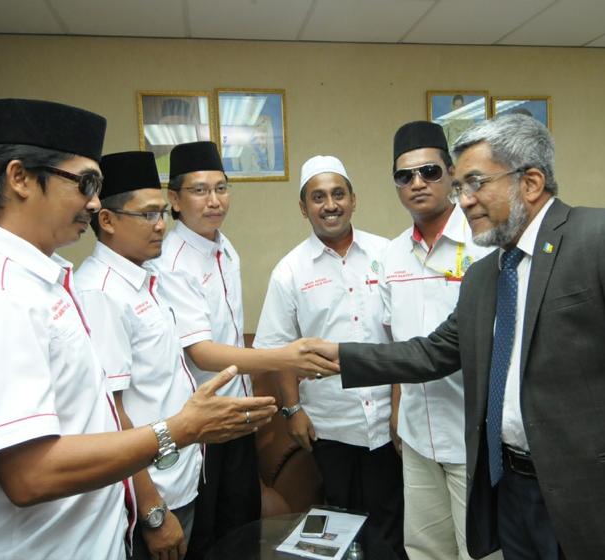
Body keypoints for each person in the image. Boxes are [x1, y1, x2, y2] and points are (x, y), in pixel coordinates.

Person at [310, 113, 605, 560]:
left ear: (530, 182)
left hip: (601, 505)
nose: (464, 201)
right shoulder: (486, 275)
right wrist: (335, 356)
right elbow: (435, 352)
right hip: (513, 494)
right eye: (460, 187)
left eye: (474, 183)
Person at [0, 99, 278, 559]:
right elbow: (29, 475)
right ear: (20, 178)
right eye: (85, 183)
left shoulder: (43, 281)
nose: (92, 201)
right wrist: (179, 430)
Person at [147, 141, 337, 559]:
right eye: (199, 191)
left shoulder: (224, 247)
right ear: (174, 200)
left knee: (243, 527)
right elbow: (202, 353)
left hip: (237, 415)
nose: (214, 201)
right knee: (208, 538)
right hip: (201, 423)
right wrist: (286, 356)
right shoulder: (172, 261)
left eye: (221, 188)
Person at [77, 150, 242, 559]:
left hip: (181, 475)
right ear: (107, 220)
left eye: (161, 214)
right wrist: (151, 510)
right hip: (151, 494)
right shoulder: (101, 292)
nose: (161, 226)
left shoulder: (145, 277)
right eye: (148, 215)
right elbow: (112, 415)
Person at [253, 155, 407, 559]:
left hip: (389, 422)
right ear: (303, 208)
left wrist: (398, 408)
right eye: (318, 197)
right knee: (340, 526)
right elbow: (279, 350)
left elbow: (401, 339)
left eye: (338, 194)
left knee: (394, 523)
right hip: (331, 426)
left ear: (354, 200)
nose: (330, 204)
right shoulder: (289, 271)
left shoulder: (388, 253)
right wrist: (292, 411)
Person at [386, 122, 494, 560]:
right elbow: (396, 342)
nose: (417, 183)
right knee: (425, 550)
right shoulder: (391, 255)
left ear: (451, 174)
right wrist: (397, 412)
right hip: (416, 436)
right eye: (404, 176)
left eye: (429, 171)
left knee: (480, 552)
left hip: (473, 437)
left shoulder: (485, 243)